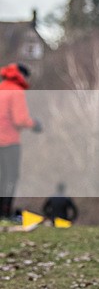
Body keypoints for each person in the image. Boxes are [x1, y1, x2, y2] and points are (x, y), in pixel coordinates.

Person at [0, 63, 41, 221]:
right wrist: (35, 124)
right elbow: (20, 119)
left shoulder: (1, 87)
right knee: (11, 177)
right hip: (9, 142)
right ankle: (5, 212)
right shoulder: (16, 91)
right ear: (22, 75)